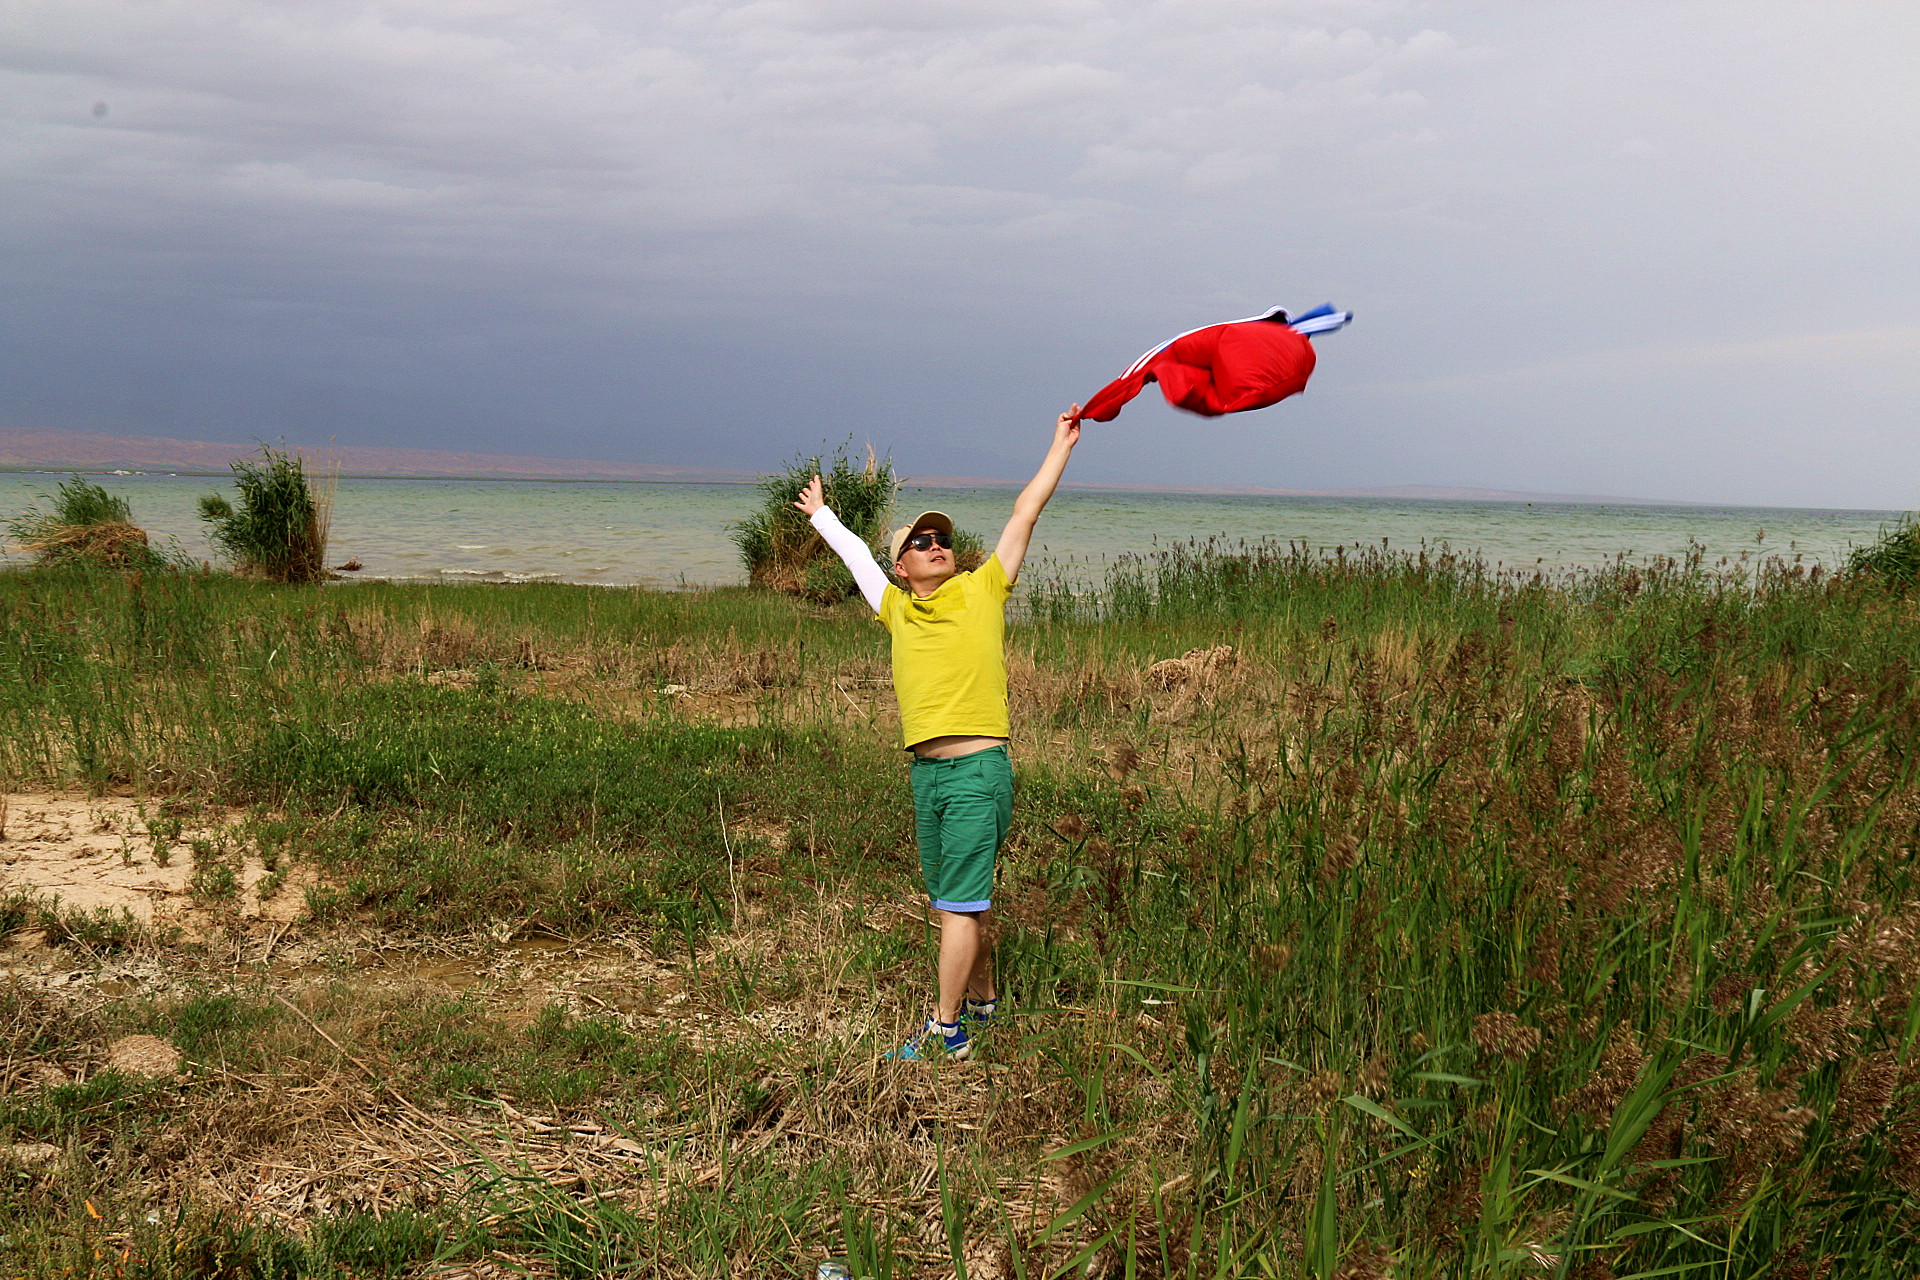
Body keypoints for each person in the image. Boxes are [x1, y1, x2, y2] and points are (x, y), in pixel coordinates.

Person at [794, 405, 1083, 1061]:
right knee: (962, 903)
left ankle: (944, 1030)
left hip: (979, 773)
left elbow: (1023, 514)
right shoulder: (896, 610)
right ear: (903, 568)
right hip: (928, 776)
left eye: (941, 539)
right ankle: (983, 1007)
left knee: (956, 907)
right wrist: (821, 515)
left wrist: (1061, 445)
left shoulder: (984, 590)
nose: (935, 545)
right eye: (919, 544)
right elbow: (853, 558)